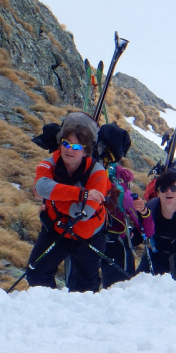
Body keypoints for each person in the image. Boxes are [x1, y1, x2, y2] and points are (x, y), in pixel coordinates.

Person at [26, 113, 110, 292]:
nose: (69, 150)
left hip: (88, 236)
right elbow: (42, 187)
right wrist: (82, 194)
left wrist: (52, 198)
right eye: (66, 144)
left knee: (87, 288)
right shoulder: (47, 164)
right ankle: (51, 308)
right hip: (56, 230)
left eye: (76, 146)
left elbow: (82, 213)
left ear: (86, 151)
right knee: (36, 275)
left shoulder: (98, 173)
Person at [101, 165, 154, 288]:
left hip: (89, 238)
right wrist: (144, 212)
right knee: (119, 288)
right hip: (118, 243)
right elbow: (147, 230)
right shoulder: (124, 195)